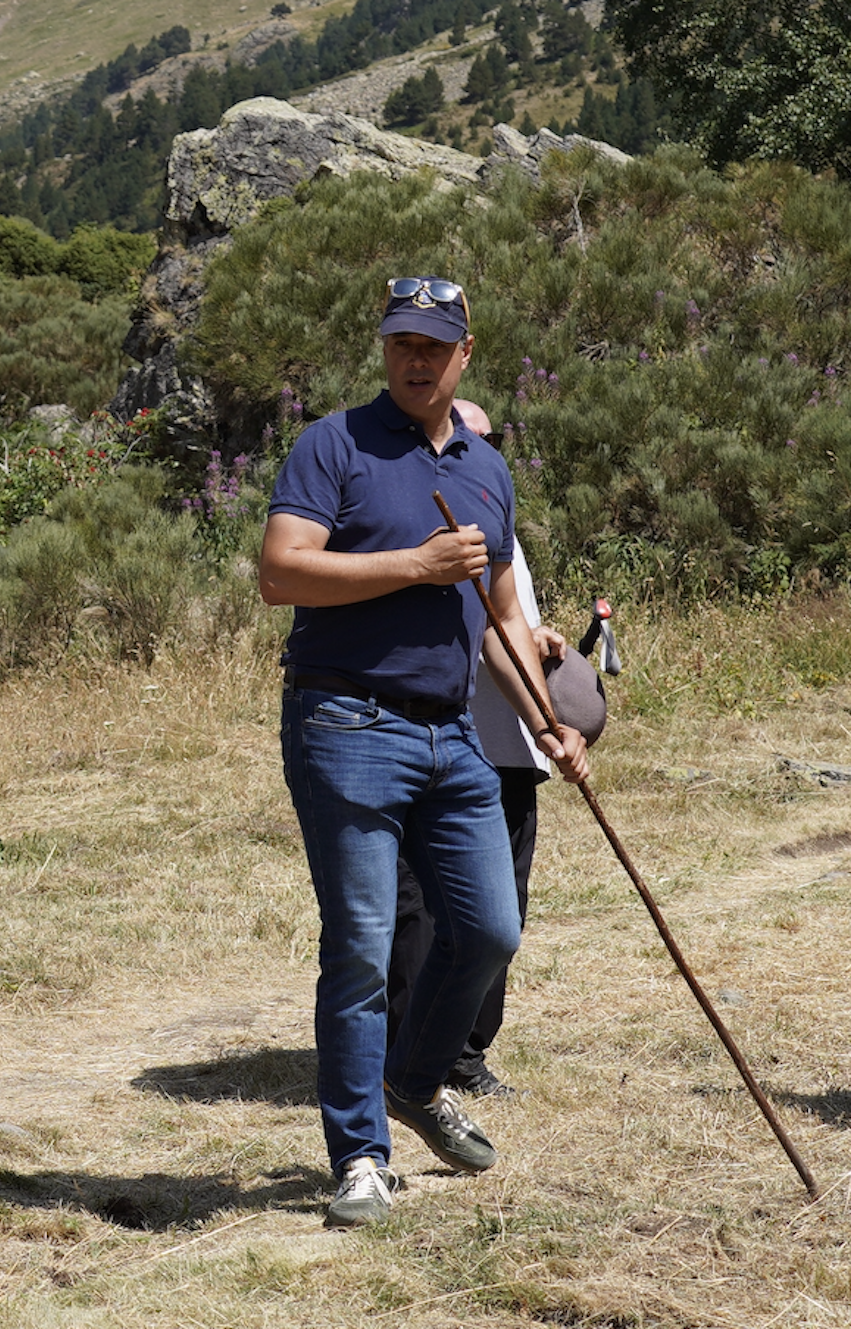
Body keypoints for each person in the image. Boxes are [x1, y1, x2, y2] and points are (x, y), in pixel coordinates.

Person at [259, 275, 590, 1228]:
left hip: (454, 732)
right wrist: (415, 565)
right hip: (347, 724)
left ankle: (414, 1075)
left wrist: (546, 716)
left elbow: (498, 616)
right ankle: (361, 1156)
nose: (416, 359)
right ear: (385, 348)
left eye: (434, 346)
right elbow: (282, 572)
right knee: (362, 948)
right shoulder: (334, 443)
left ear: (465, 355)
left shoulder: (487, 468)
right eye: (402, 342)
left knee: (491, 927)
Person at [387, 400, 559, 1100]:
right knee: (419, 912)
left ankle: (464, 1051)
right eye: (464, 438)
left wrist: (544, 669)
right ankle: (414, 1057)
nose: (475, 451)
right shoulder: (414, 520)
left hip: (512, 748)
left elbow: (509, 616)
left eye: (487, 442)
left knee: (501, 911)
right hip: (440, 743)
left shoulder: (497, 514)